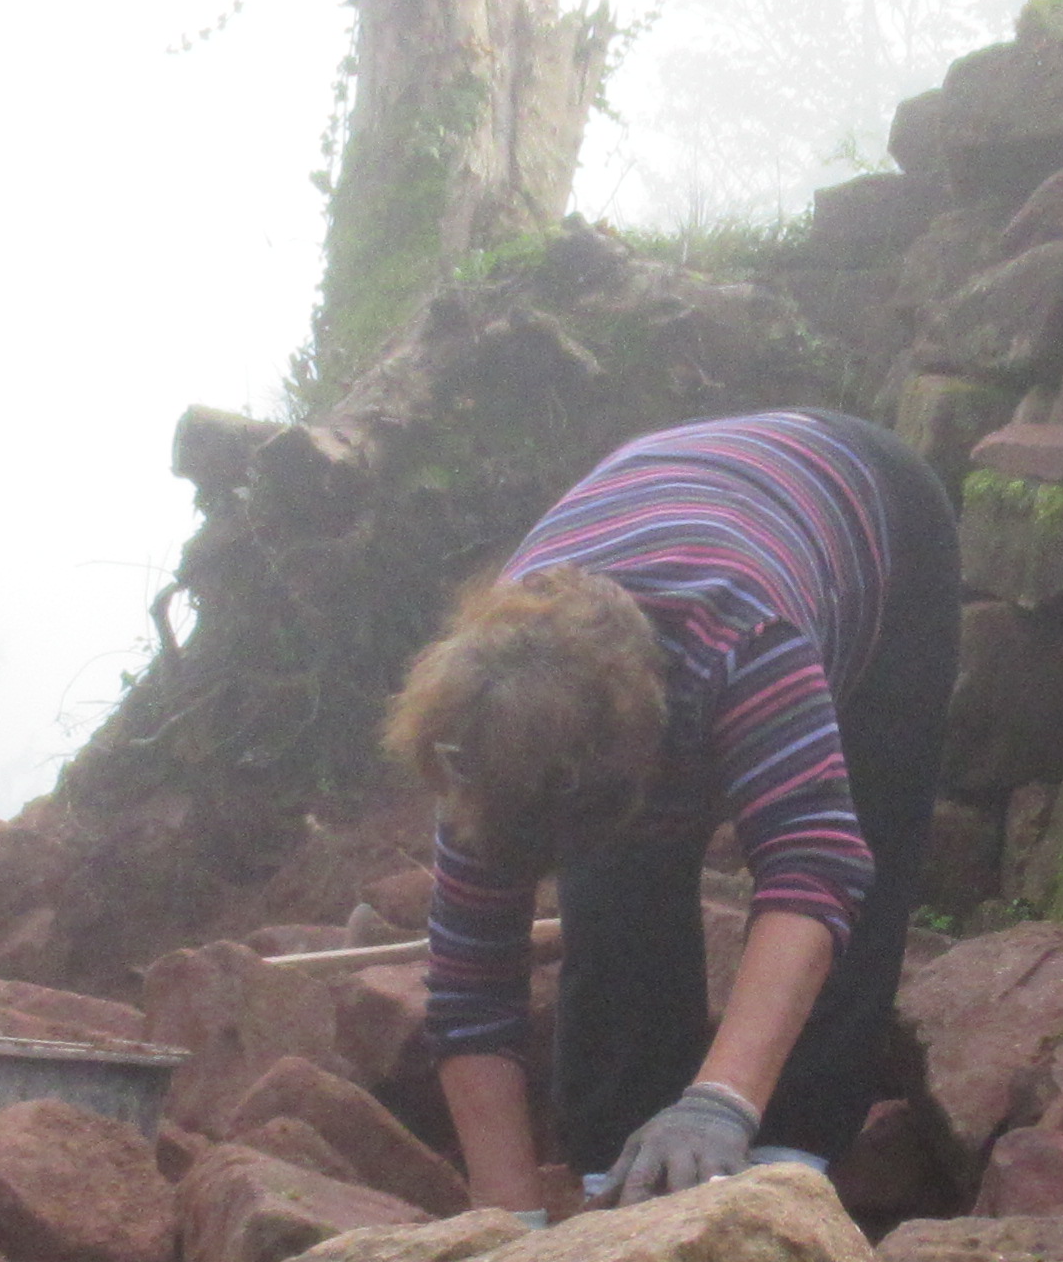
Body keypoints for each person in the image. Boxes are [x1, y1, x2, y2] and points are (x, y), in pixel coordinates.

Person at [390, 406, 961, 1216]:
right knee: (613, 898)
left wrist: (720, 1104)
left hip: (873, 513)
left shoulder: (742, 643)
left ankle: (788, 1161)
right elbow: (471, 985)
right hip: (668, 528)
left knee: (862, 838)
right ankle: (618, 1174)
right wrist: (505, 1225)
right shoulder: (481, 737)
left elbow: (815, 870)